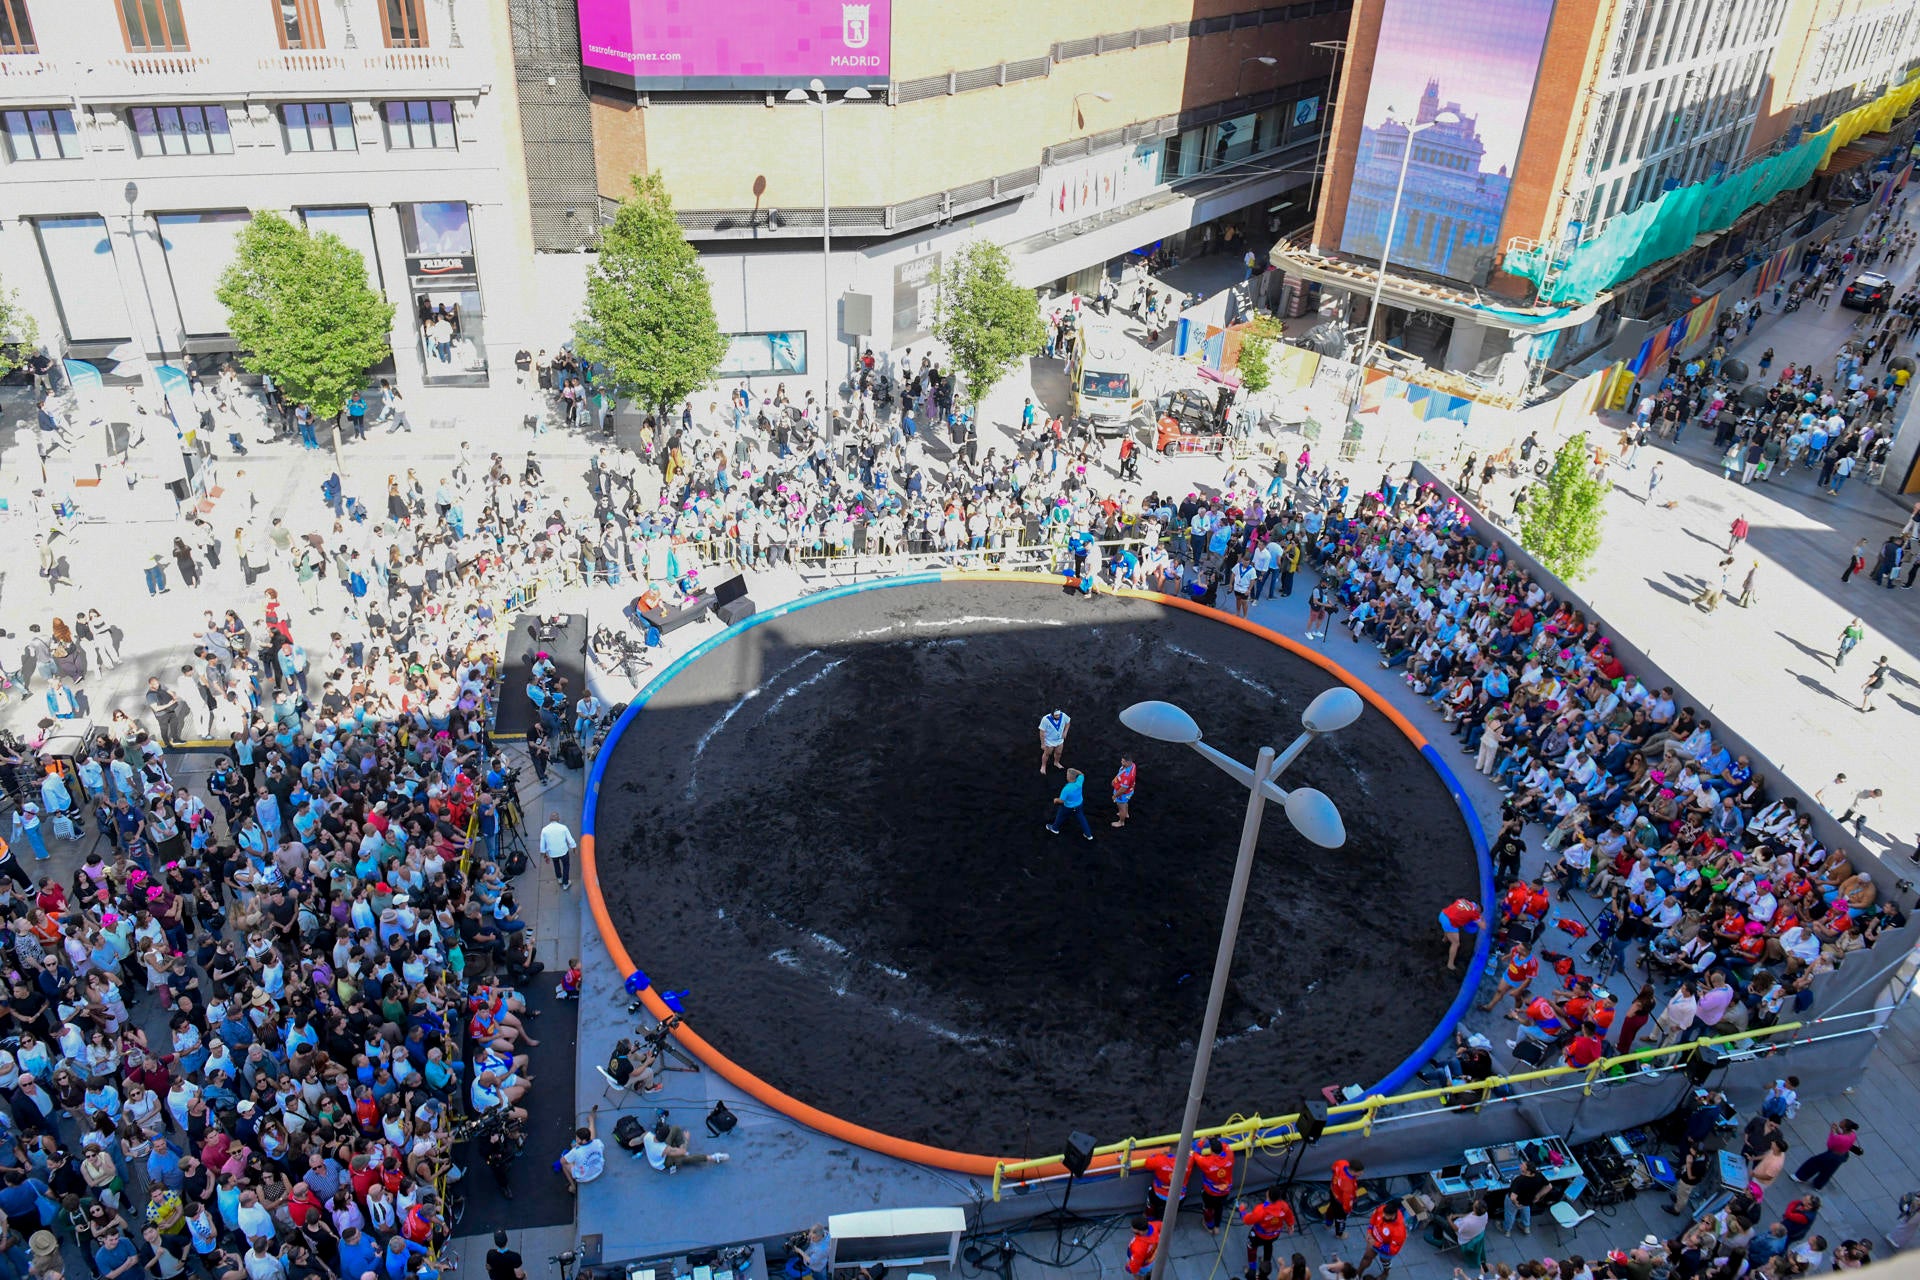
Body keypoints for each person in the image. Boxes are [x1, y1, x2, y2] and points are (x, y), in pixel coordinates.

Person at [639, 1113, 730, 1172]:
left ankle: (679, 1146)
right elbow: (683, 1151)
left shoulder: (647, 1135)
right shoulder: (665, 1149)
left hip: (659, 1149)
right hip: (662, 1163)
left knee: (675, 1128)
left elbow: (633, 1142)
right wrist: (686, 1139)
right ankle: (712, 1158)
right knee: (684, 1157)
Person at [1238, 1187, 1296, 1278]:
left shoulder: (1261, 1210)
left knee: (1251, 1248)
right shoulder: (1284, 1206)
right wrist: (1291, 1225)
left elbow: (1247, 1220)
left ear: (1267, 1194)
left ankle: (1252, 1270)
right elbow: (1289, 1215)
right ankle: (1265, 1265)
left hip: (1258, 1236)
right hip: (1274, 1234)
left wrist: (1241, 1209)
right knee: (1268, 1245)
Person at [1792, 1118, 1863, 1188]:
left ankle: (1800, 1177)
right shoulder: (1853, 1134)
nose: (1840, 1122)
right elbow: (1844, 1137)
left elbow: (1830, 1144)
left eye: (1842, 1122)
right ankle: (1818, 1185)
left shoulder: (1840, 1138)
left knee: (1813, 1163)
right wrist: (1838, 1131)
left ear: (1844, 1128)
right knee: (1828, 1171)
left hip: (1832, 1155)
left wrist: (1832, 1131)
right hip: (1843, 1155)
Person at [1354, 1200, 1407, 1279]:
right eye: (1383, 1213)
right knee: (1366, 1257)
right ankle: (1358, 1274)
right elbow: (1373, 1218)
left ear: (1393, 1215)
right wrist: (1369, 1231)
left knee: (1385, 1261)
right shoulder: (1382, 1209)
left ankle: (1385, 1273)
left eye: (1386, 1215)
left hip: (1385, 1249)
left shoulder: (1399, 1231)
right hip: (1374, 1240)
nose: (1382, 1215)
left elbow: (1392, 1249)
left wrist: (1376, 1244)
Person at [559, 1106, 605, 1192]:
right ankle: (591, 1119)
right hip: (599, 1170)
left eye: (577, 1138)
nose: (576, 1139)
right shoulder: (598, 1143)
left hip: (583, 1177)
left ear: (583, 1141)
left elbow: (563, 1161)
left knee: (563, 1163)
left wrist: (574, 1149)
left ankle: (573, 1187)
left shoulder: (575, 1152)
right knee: (592, 1138)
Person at [1045, 768, 1092, 841]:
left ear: (1069, 778)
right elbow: (1081, 774)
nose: (1066, 775)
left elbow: (1061, 801)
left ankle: (1054, 828)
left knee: (1060, 815)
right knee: (1082, 819)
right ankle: (1088, 835)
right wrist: (1074, 770)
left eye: (1067, 774)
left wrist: (1055, 800)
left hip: (1068, 807)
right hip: (1079, 805)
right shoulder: (1080, 781)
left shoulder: (1066, 789)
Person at [1438, 898, 1481, 971]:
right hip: (1449, 923)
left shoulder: (1463, 900)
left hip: (1442, 914)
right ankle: (1450, 964)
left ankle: (1445, 939)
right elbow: (1482, 925)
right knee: (1456, 943)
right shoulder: (1473, 913)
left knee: (1450, 925)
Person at [541, 811, 577, 889]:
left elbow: (542, 847)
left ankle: (559, 879)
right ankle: (565, 883)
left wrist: (545, 856)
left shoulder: (544, 830)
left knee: (556, 864)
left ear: (550, 819)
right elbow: (570, 840)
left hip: (552, 853)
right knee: (566, 866)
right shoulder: (564, 828)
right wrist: (574, 848)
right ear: (558, 819)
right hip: (563, 852)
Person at [1038, 708, 1071, 773]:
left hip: (1059, 740)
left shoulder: (1063, 715)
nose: (1058, 716)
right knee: (1047, 754)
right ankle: (1043, 766)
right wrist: (1043, 743)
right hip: (1049, 741)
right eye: (1056, 715)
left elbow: (1068, 722)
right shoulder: (1045, 719)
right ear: (1052, 715)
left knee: (1059, 753)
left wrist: (1065, 732)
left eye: (1059, 715)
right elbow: (1042, 732)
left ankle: (1056, 762)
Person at [1111, 755, 1137, 828]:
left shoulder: (1127, 776)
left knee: (1121, 807)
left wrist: (1115, 796)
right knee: (1125, 804)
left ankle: (1121, 822)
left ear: (1128, 762)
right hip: (1129, 791)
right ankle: (1126, 814)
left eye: (1123, 761)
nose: (1121, 762)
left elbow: (1123, 789)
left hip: (1122, 794)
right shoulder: (1133, 765)